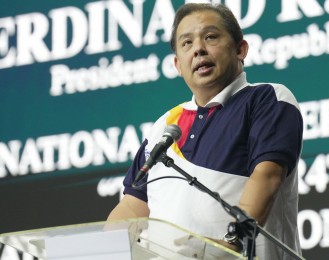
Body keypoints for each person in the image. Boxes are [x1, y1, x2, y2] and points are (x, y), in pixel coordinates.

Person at [108, 3, 303, 259]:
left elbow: (267, 177)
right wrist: (103, 250)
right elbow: (133, 207)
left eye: (210, 37)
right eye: (186, 43)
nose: (198, 49)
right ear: (178, 65)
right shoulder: (165, 125)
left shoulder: (267, 99)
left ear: (240, 49)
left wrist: (232, 242)